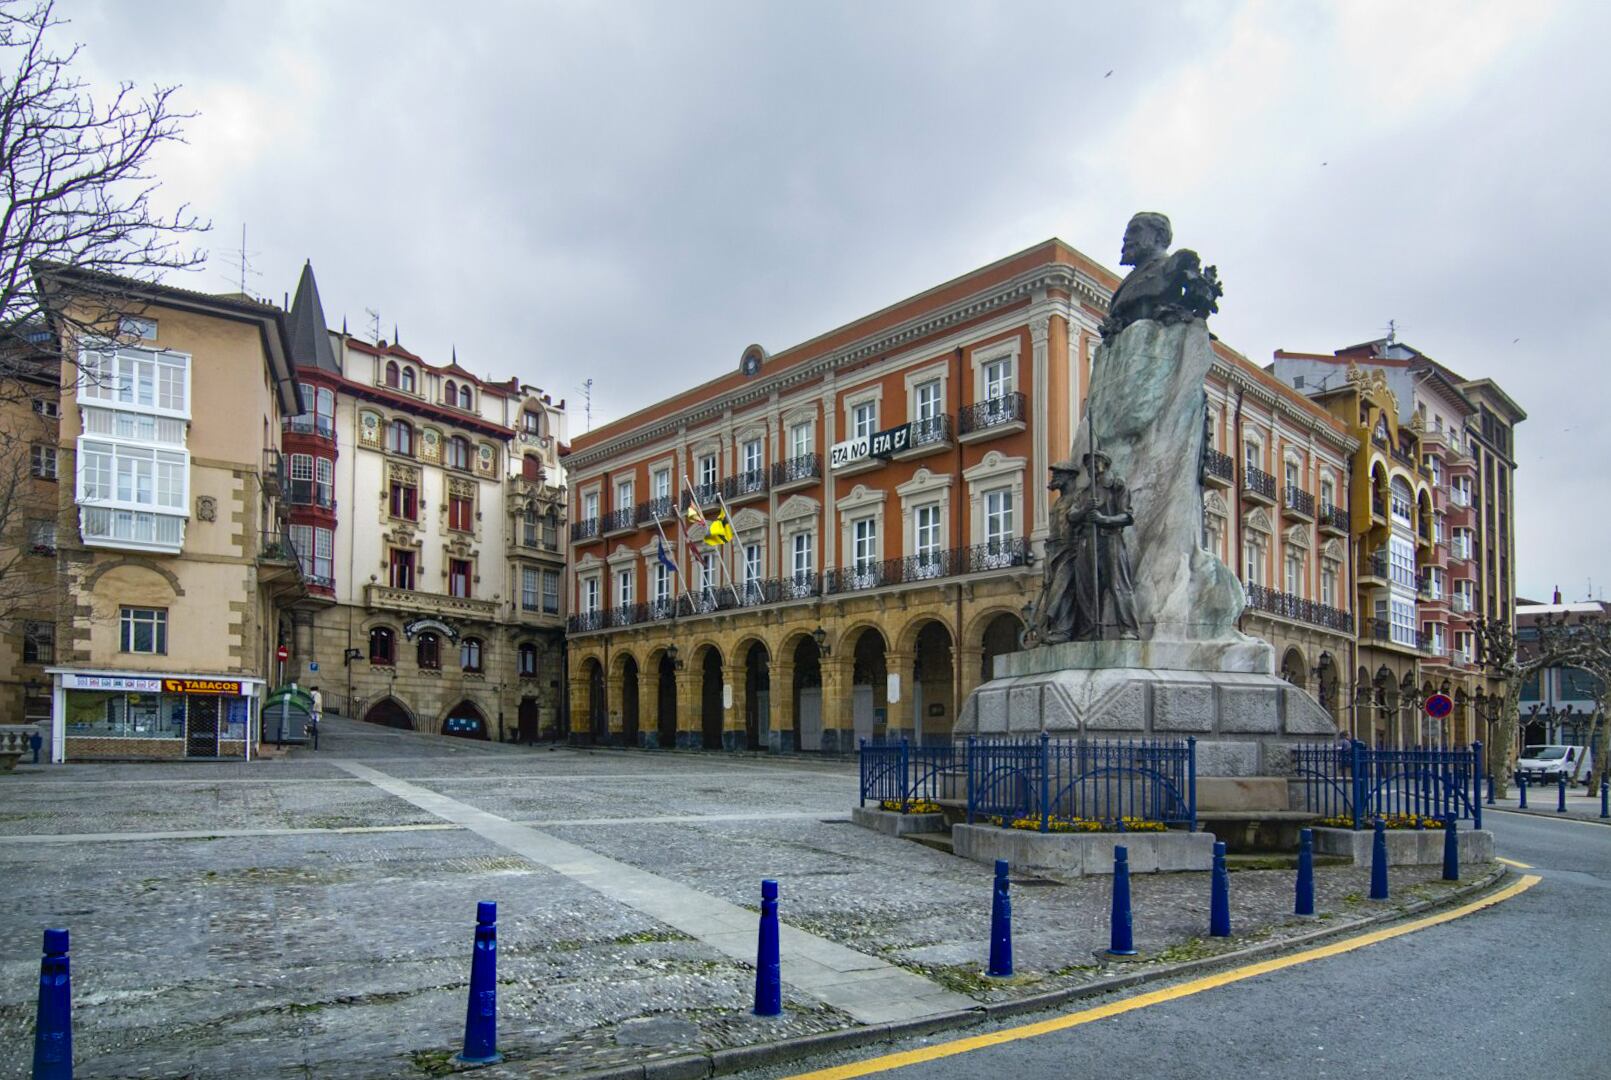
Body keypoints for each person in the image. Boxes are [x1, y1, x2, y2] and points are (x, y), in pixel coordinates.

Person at [307, 685, 323, 750]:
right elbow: (317, 702)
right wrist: (314, 708)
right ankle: (314, 731)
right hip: (316, 710)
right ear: (317, 689)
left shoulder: (309, 693)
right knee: (315, 721)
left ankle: (312, 730)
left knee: (311, 720)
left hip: (310, 709)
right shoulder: (318, 694)